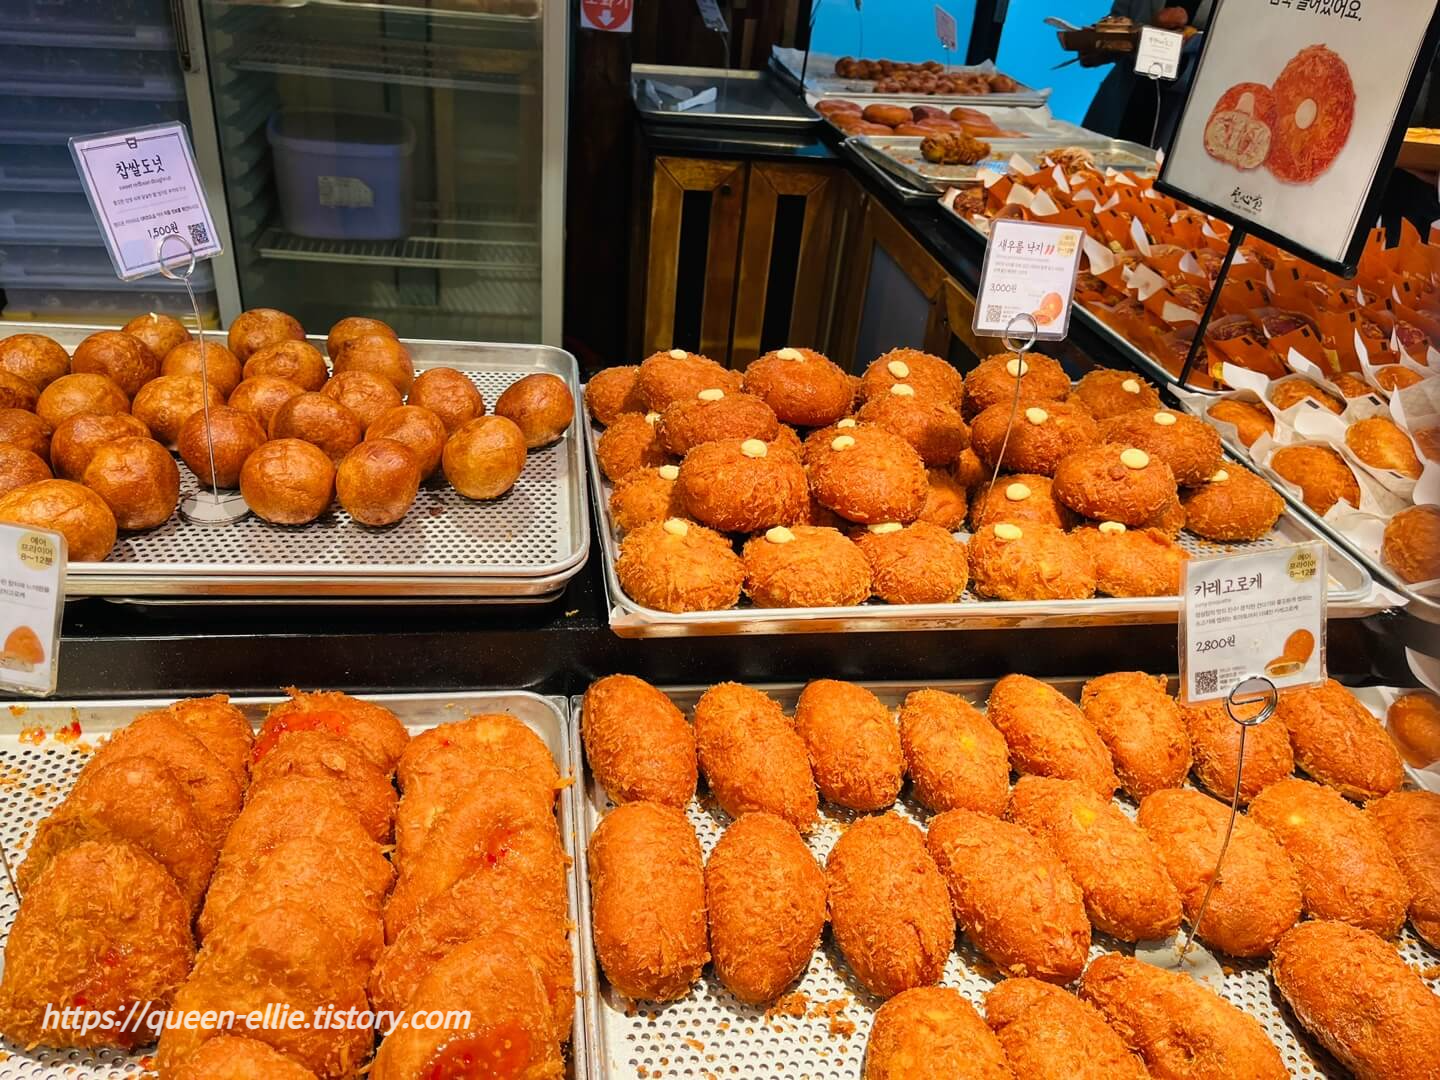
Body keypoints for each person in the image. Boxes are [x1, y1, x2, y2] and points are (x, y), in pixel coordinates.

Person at [1083, 1, 1213, 146]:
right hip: (1117, 107)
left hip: (1179, 123)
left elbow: (1227, 59)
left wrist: (1179, 59)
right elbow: (1118, 20)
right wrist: (1094, 43)